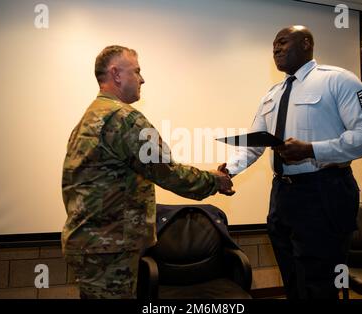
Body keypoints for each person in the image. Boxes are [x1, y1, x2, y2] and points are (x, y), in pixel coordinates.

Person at [220, 26, 362, 299]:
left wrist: (312, 150)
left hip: (325, 192)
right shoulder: (272, 94)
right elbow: (256, 143)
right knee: (293, 282)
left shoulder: (338, 80)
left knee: (319, 285)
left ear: (307, 43)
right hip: (283, 196)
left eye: (283, 42)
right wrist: (230, 169)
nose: (275, 49)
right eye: (273, 45)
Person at [62, 45, 234, 299]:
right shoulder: (124, 119)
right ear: (116, 74)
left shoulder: (91, 117)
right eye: (137, 71)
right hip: (111, 247)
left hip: (92, 243)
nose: (142, 79)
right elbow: (168, 172)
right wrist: (214, 181)